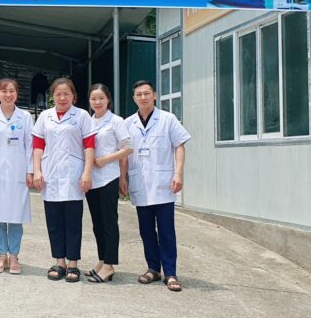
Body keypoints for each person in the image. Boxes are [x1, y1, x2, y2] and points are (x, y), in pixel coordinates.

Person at [125, 80, 191, 292]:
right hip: (140, 183)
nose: (143, 97)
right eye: (139, 94)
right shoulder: (128, 123)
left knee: (166, 230)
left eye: (147, 93)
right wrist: (122, 178)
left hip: (164, 183)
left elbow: (179, 146)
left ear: (154, 95)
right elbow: (124, 153)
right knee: (146, 230)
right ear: (134, 98)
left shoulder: (167, 119)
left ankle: (170, 273)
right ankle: (153, 268)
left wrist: (178, 173)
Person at [31, 78, 95, 283]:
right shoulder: (45, 116)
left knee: (73, 221)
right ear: (52, 97)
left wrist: (87, 173)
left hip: (74, 174)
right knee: (54, 221)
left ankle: (73, 263)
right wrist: (37, 171)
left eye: (66, 94)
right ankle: (60, 262)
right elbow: (38, 145)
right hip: (50, 173)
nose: (62, 98)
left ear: (73, 96)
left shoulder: (82, 116)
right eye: (58, 94)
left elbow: (89, 146)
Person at [0, 78, 34, 274]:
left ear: (17, 94)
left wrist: (30, 171)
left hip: (18, 172)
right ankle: (2, 254)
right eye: (4, 91)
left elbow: (30, 146)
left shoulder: (25, 117)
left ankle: (14, 256)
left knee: (16, 216)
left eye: (11, 91)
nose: (8, 95)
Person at [84, 84, 132, 283]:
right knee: (97, 223)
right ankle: (102, 260)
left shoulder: (116, 121)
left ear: (108, 100)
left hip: (108, 178)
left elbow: (128, 148)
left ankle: (110, 265)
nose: (97, 102)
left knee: (109, 222)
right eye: (93, 98)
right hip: (91, 179)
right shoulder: (87, 121)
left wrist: (106, 160)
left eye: (101, 98)